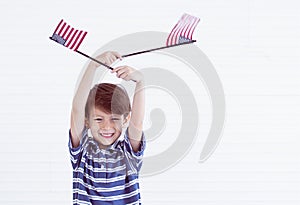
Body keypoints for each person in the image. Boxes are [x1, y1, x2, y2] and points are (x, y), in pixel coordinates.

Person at [69, 51, 145, 204]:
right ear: (87, 121)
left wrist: (140, 82)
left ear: (125, 120)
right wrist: (93, 65)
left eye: (114, 119)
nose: (107, 126)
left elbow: (137, 124)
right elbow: (77, 110)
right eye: (98, 119)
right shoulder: (82, 152)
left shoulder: (128, 154)